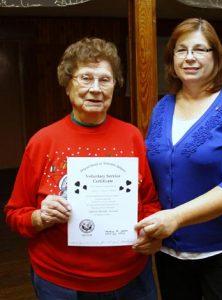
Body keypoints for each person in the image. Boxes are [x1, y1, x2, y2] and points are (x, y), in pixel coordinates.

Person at [4, 37, 161, 300]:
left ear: (115, 86)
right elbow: (14, 214)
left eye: (105, 79)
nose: (96, 88)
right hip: (61, 283)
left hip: (130, 277)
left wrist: (151, 233)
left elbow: (149, 202)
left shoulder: (132, 136)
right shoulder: (43, 141)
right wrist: (40, 217)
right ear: (68, 85)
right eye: (85, 78)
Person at [134, 18, 222, 300]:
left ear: (216, 57)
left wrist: (176, 218)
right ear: (172, 58)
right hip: (170, 247)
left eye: (200, 49)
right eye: (181, 50)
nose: (190, 57)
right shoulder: (162, 106)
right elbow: (152, 172)